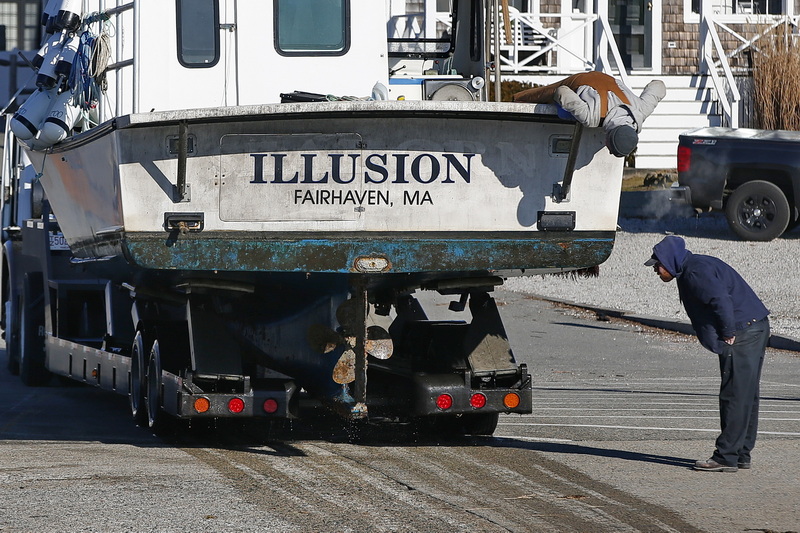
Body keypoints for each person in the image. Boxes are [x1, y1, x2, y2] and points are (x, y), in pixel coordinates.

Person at [645, 235, 770, 473]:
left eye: (658, 264)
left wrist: (728, 331)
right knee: (745, 393)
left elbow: (720, 299)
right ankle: (741, 452)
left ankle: (725, 456)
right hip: (755, 326)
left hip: (743, 330)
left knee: (733, 395)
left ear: (670, 261)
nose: (656, 270)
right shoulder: (694, 266)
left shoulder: (695, 272)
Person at [513, 71, 666, 158]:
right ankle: (515, 98)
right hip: (582, 80)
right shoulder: (590, 117)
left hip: (609, 78)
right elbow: (562, 92)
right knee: (529, 98)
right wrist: (569, 109)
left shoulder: (641, 110)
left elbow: (658, 86)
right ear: (608, 138)